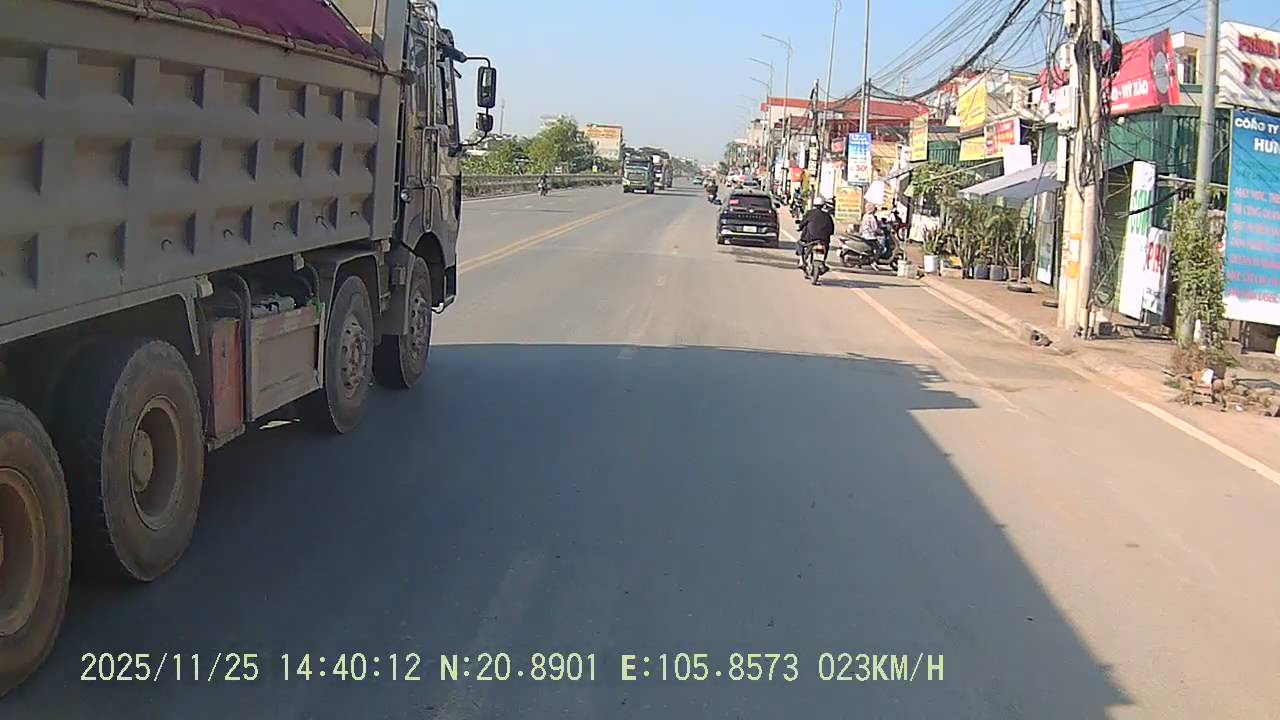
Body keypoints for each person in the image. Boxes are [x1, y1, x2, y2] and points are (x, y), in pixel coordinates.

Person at [797, 195, 836, 268]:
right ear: (823, 205)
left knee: (800, 243)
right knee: (826, 247)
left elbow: (802, 223)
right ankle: (823, 262)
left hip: (811, 239)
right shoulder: (827, 215)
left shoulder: (810, 213)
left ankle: (801, 260)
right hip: (824, 240)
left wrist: (800, 227)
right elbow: (831, 230)